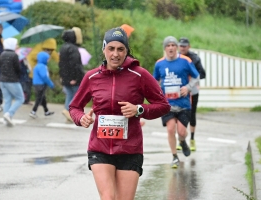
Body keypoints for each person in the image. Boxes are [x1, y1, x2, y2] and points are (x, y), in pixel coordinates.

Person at [69, 27, 170, 200]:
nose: (115, 54)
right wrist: (81, 118)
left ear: (126, 51)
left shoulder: (139, 75)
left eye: (120, 49)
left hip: (129, 148)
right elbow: (74, 107)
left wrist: (138, 109)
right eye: (111, 48)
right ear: (104, 49)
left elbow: (163, 105)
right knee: (108, 197)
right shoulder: (92, 77)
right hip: (99, 148)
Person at [153, 36, 200, 168]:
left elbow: (196, 76)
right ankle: (174, 156)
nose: (171, 47)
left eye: (173, 45)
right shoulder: (159, 64)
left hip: (184, 103)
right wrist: (157, 96)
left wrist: (188, 88)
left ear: (177, 47)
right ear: (165, 48)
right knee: (170, 129)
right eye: (168, 45)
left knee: (181, 131)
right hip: (167, 104)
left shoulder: (185, 61)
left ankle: (183, 141)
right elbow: (154, 82)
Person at [177, 37, 206, 151]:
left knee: (192, 114)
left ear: (189, 46)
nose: (182, 48)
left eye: (185, 46)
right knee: (180, 115)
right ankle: (181, 140)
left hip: (192, 91)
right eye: (181, 46)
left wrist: (190, 76)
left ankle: (192, 139)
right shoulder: (176, 57)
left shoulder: (194, 58)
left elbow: (202, 74)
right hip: (180, 91)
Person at [59, 27, 85, 123]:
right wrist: (76, 77)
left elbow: (61, 64)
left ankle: (68, 115)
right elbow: (75, 64)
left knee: (69, 94)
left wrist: (62, 76)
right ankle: (68, 111)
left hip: (65, 76)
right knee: (76, 95)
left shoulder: (63, 48)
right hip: (73, 77)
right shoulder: (73, 49)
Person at [0, 38, 24, 126]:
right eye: (16, 44)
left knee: (7, 100)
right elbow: (18, 69)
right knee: (20, 98)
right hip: (12, 81)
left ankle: (6, 120)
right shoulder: (14, 55)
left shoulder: (2, 54)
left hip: (2, 80)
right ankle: (9, 114)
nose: (17, 46)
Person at [26, 38, 59, 104]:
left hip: (39, 70)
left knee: (39, 86)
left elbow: (57, 58)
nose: (50, 51)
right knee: (30, 85)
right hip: (32, 68)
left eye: (51, 50)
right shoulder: (38, 48)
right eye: (48, 50)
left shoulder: (51, 51)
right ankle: (27, 99)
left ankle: (40, 100)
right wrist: (45, 57)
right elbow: (34, 57)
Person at [29, 51, 55, 118]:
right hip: (41, 84)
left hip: (36, 84)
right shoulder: (42, 66)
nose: (48, 60)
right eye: (47, 59)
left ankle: (46, 111)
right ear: (44, 59)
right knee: (39, 98)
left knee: (42, 98)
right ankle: (33, 111)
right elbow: (44, 76)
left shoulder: (37, 66)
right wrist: (50, 83)